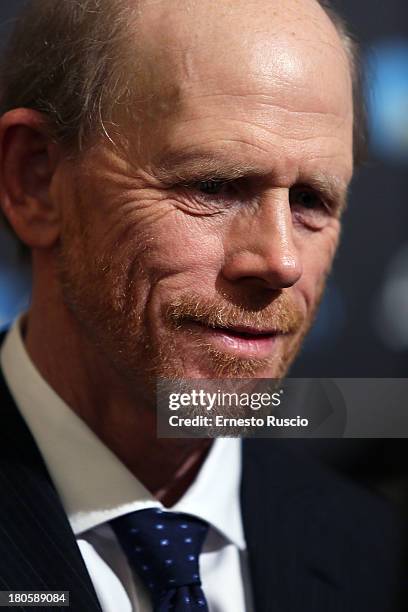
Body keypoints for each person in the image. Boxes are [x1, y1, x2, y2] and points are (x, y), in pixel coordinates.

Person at [0, 0, 403, 610]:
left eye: (312, 200)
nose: (282, 261)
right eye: (212, 185)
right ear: (35, 182)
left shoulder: (380, 557)